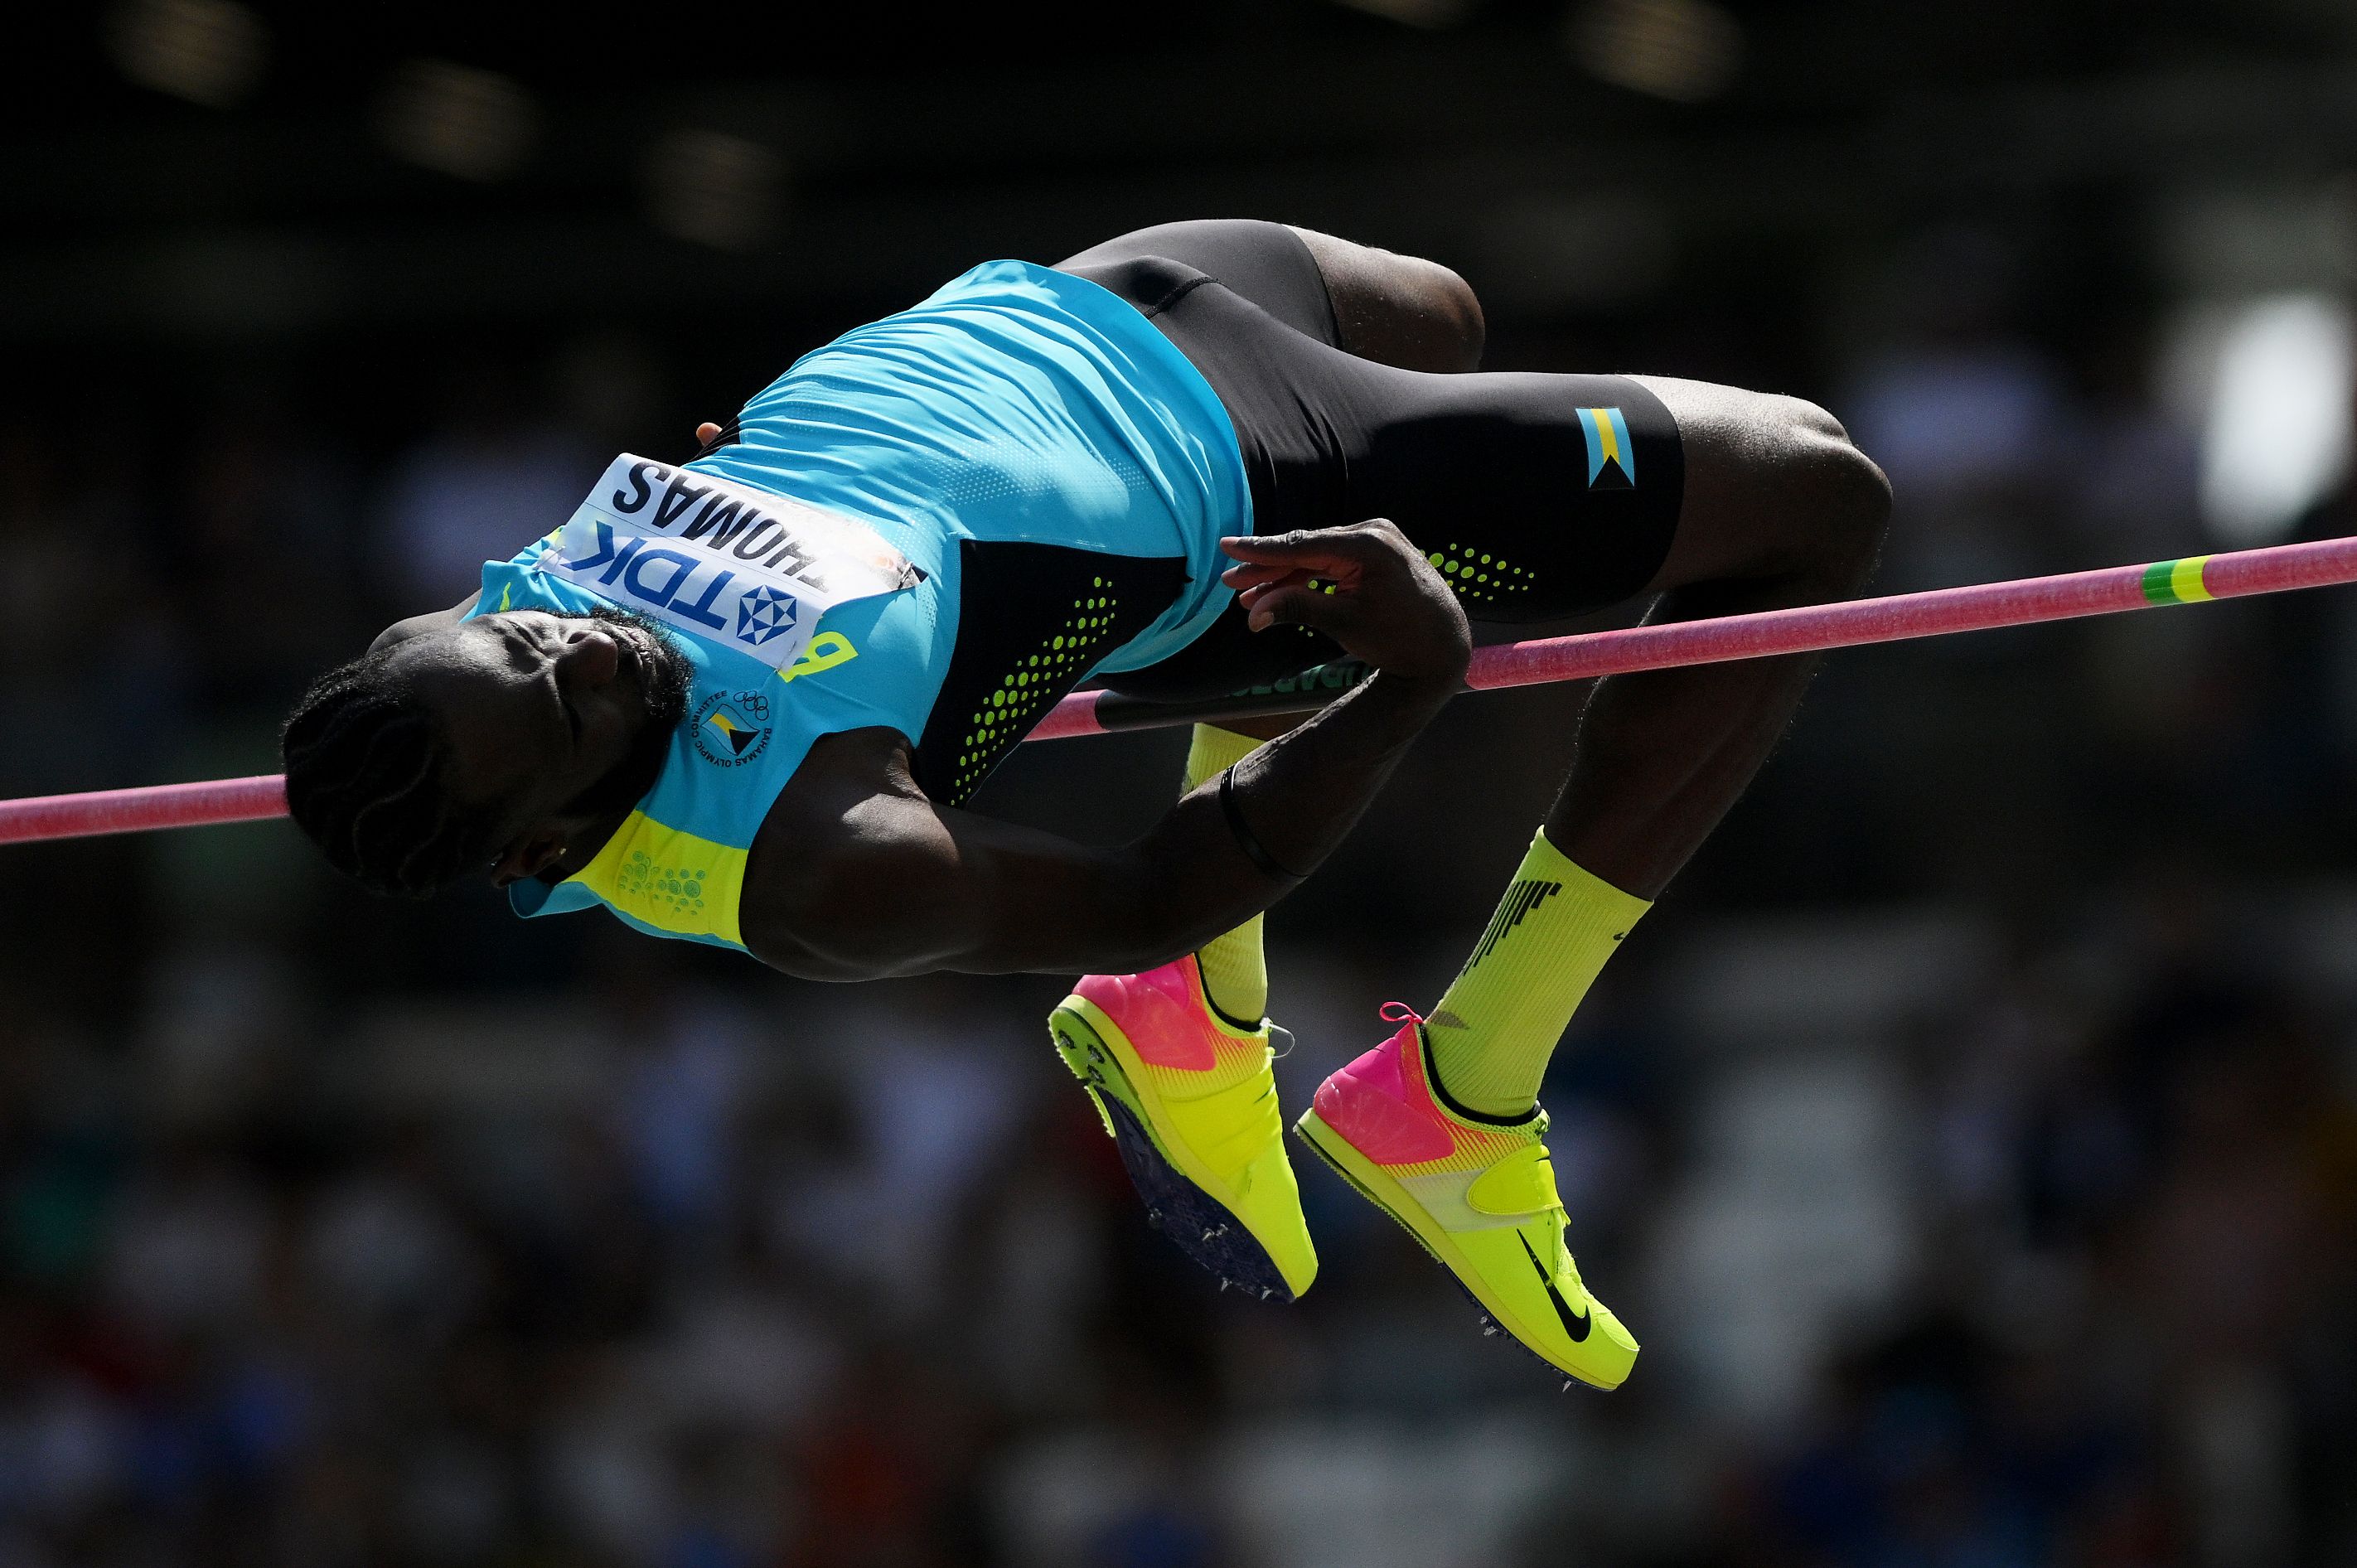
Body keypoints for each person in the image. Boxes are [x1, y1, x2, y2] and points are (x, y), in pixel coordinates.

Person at [281, 220, 1890, 1390]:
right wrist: (1406, 673)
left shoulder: (494, 646)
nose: (585, 641)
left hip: (1089, 302)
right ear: (550, 843)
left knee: (1442, 310)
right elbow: (1151, 889)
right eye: (573, 701)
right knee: (1813, 494)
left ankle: (1195, 1031)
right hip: (1250, 476)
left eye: (520, 625)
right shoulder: (817, 854)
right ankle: (1470, 1085)